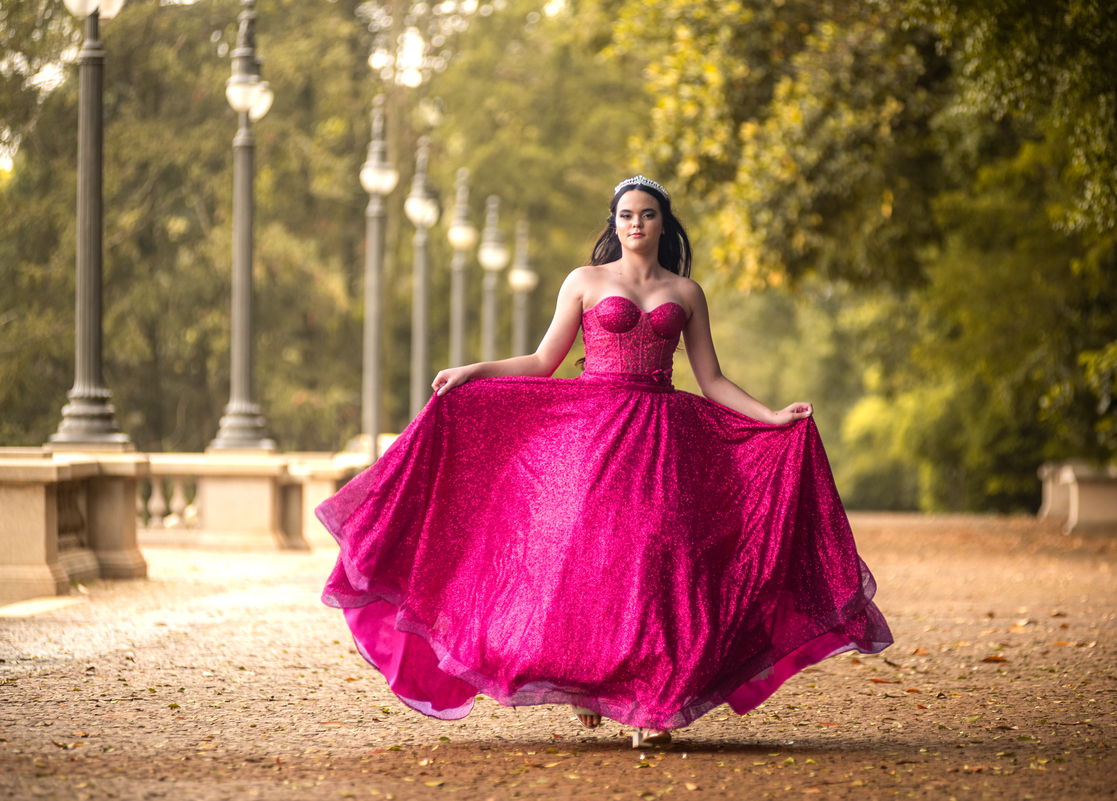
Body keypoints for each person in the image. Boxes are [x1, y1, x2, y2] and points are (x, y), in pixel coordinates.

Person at [318, 176, 892, 749]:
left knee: (658, 554)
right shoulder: (584, 281)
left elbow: (712, 379)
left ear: (664, 223)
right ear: (614, 224)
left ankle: (653, 705)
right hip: (594, 434)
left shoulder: (687, 292)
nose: (636, 223)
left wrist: (771, 416)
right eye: (626, 215)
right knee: (594, 557)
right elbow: (543, 361)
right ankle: (588, 682)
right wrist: (475, 372)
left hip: (663, 438)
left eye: (647, 214)